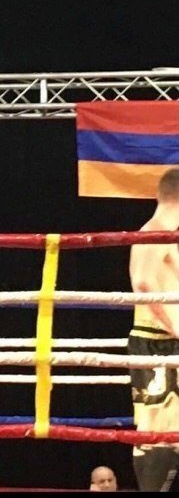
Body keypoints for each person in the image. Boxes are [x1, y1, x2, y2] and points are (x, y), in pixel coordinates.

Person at [128, 166, 179, 492]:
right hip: (156, 341)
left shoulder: (168, 234)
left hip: (166, 341)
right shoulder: (155, 230)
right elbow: (143, 283)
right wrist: (173, 326)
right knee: (156, 428)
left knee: (173, 431)